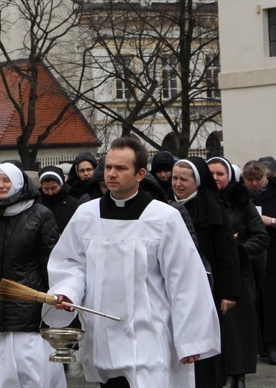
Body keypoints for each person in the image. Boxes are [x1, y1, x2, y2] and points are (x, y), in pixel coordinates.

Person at [44, 137, 220, 387]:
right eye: (108, 167)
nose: (111, 174)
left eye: (121, 168)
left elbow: (186, 281)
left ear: (140, 174)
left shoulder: (163, 218)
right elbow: (71, 262)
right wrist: (68, 291)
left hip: (149, 334)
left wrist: (190, 339)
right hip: (103, 337)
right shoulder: (87, 215)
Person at [0, 161, 65, 388]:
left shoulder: (40, 215)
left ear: (18, 182)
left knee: (32, 370)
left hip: (28, 307)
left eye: (6, 180)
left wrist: (56, 296)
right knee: (2, 373)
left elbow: (52, 262)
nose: (0, 185)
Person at [172, 157, 240, 388]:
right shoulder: (166, 207)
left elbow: (227, 254)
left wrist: (229, 293)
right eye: (175, 178)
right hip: (179, 287)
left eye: (184, 179)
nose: (178, 184)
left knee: (205, 346)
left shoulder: (213, 207)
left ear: (198, 182)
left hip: (210, 289)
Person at [207, 157, 269, 388]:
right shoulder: (201, 201)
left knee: (238, 327)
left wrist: (239, 251)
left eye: (219, 173)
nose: (215, 177)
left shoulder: (242, 203)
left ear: (229, 176)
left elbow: (260, 236)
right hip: (209, 275)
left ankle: (238, 375)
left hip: (239, 275)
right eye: (210, 173)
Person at [243, 160, 276, 365]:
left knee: (273, 301)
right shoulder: (241, 196)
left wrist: (272, 221)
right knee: (253, 300)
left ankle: (273, 344)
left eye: (258, 179)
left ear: (266, 176)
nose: (254, 183)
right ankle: (258, 345)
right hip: (250, 254)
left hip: (275, 254)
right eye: (250, 180)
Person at [38, 165, 78, 233]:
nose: (50, 193)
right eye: (46, 189)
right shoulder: (37, 203)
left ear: (61, 185)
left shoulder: (73, 203)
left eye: (54, 188)